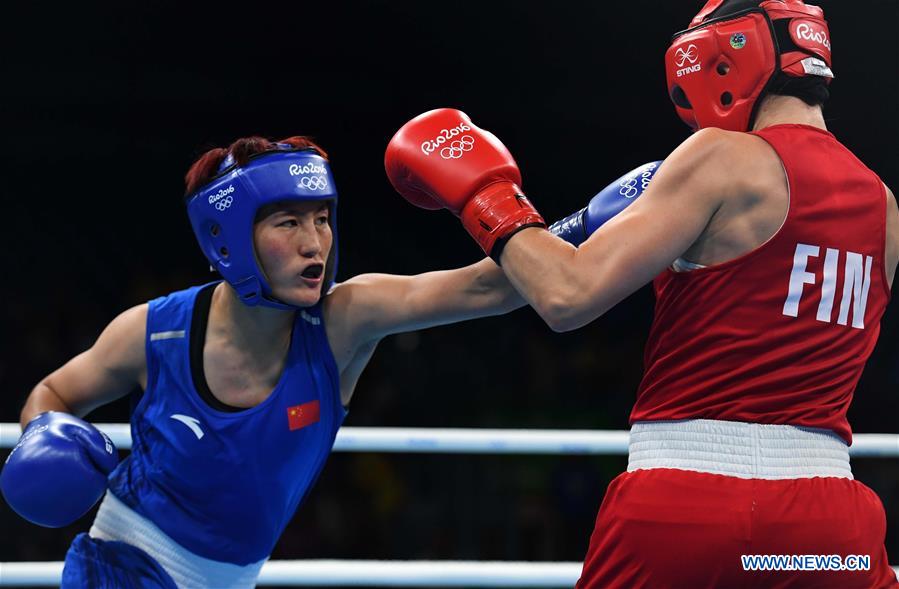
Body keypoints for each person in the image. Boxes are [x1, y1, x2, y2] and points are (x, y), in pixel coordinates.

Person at [384, 0, 899, 587]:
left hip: (687, 504)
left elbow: (566, 293)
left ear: (727, 56)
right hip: (829, 532)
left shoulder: (722, 160)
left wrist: (485, 195)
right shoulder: (884, 205)